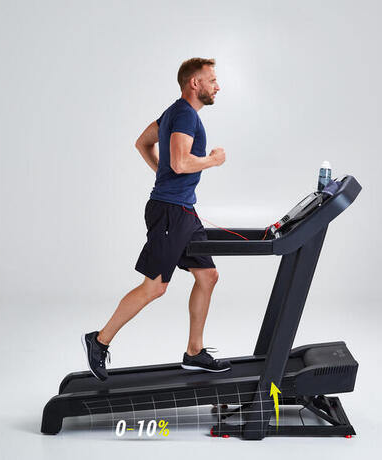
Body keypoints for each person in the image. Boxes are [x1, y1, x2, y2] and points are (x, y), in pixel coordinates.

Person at [82, 57, 230, 381]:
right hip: (170, 212)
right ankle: (99, 340)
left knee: (208, 276)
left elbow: (143, 143)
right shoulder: (184, 115)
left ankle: (194, 352)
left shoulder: (174, 113)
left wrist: (164, 175)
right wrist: (213, 160)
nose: (218, 86)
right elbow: (179, 163)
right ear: (194, 83)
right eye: (212, 80)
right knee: (155, 287)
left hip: (184, 210)